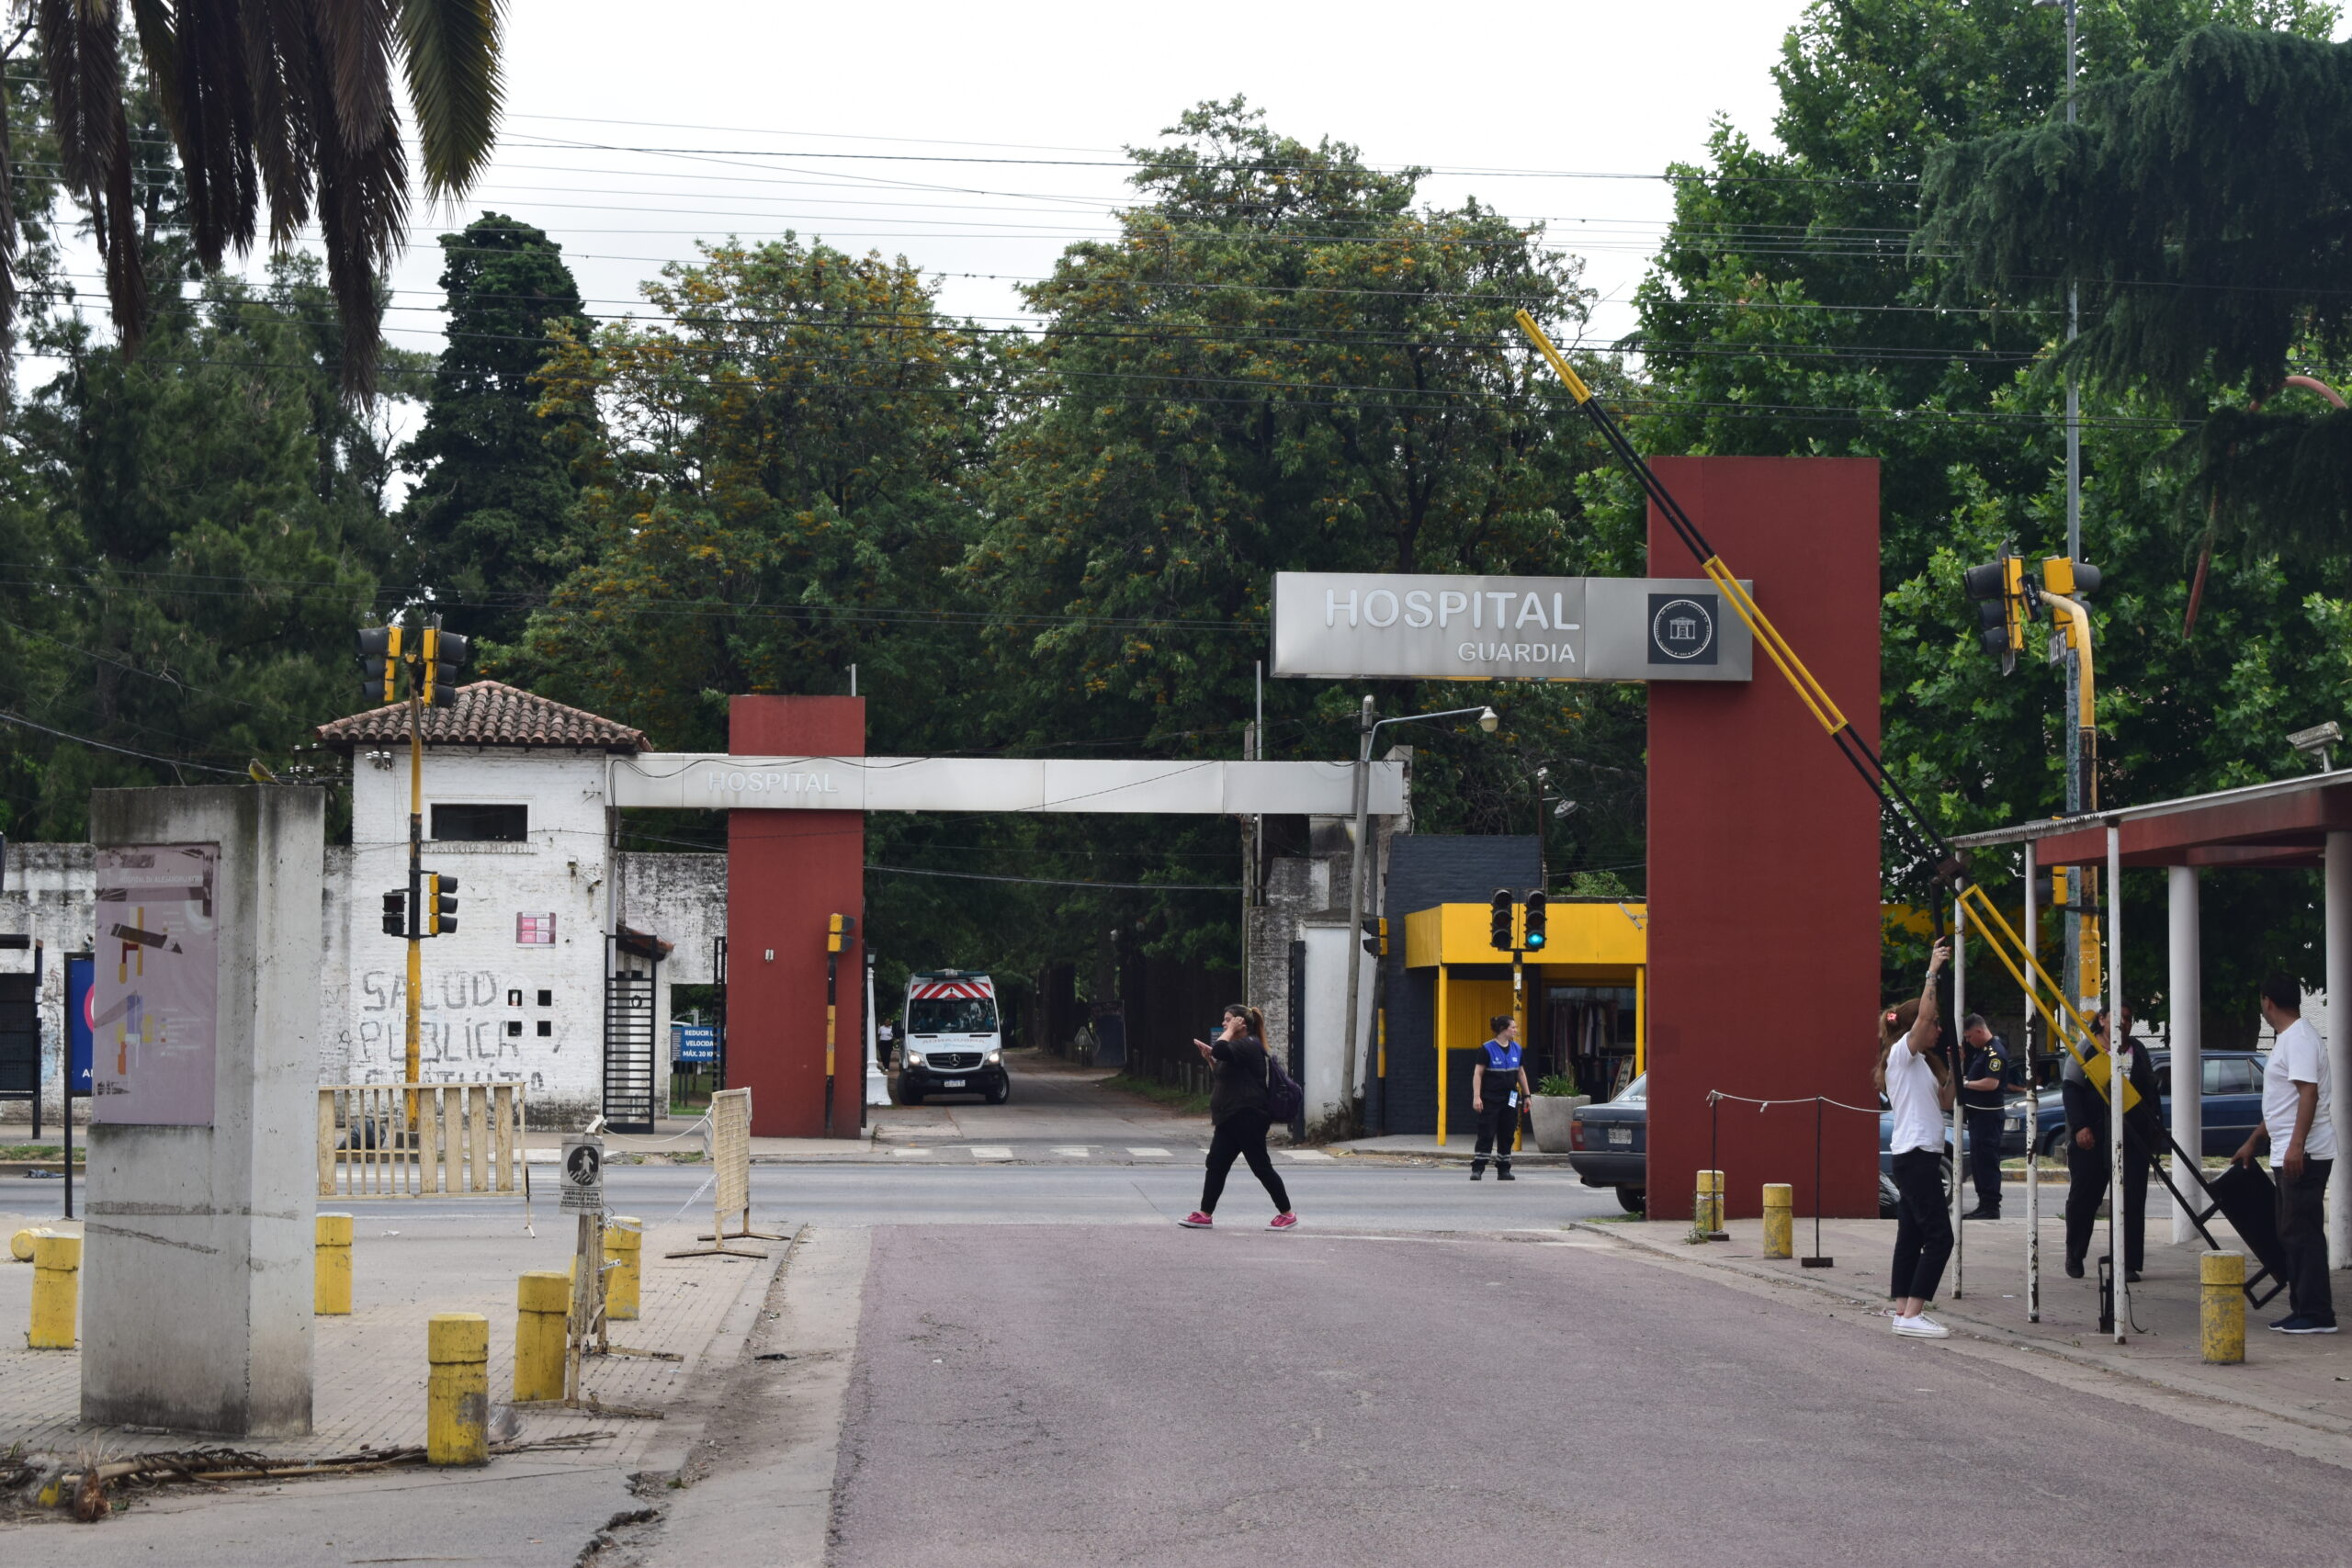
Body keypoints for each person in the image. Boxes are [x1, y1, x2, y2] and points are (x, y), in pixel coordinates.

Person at [2234, 974, 2336, 1334]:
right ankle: (2303, 1308)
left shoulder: (2300, 1039)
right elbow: (2284, 1104)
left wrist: (2296, 1146)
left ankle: (2317, 1313)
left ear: (2268, 1001)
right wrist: (2254, 1140)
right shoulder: (2290, 1039)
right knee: (2290, 1231)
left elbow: (2308, 1094)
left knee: (2302, 1233)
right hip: (2290, 1150)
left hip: (2303, 1153)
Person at [1880, 938, 1954, 1338]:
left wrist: (1956, 1067)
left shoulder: (1922, 1063)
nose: (1937, 1028)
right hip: (1916, 1155)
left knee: (1909, 1235)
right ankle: (1913, 1314)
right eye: (1935, 1023)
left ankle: (1901, 1311)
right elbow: (1924, 1017)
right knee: (1941, 1238)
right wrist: (1932, 971)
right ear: (1914, 1028)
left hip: (1919, 1155)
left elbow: (1945, 1100)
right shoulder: (1901, 1055)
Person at [2061, 1005, 2159, 1282]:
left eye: (2128, 1018)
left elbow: (2149, 1092)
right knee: (2084, 1199)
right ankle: (2075, 1254)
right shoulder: (2086, 1048)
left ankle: (2127, 1262)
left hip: (2133, 1139)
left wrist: (2151, 1133)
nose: (2123, 1023)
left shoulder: (2138, 1050)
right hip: (2092, 1139)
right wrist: (2080, 1127)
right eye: (2117, 1017)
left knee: (2132, 1199)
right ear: (2102, 1020)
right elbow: (2071, 1090)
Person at [1180, 1005, 1298, 1231]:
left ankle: (1287, 1213)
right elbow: (1224, 1074)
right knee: (1216, 1163)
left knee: (1260, 1166)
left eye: (1228, 1020)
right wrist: (1210, 1060)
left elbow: (1220, 1048)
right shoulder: (1237, 1047)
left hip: (1248, 1117)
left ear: (1241, 1023)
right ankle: (1205, 1214)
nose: (1224, 1024)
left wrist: (1228, 1034)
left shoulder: (1249, 1044)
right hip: (1230, 1118)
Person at [1958, 1014, 2010, 1221]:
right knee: (1979, 1161)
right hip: (1978, 1115)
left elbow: (1991, 1083)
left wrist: (1965, 1084)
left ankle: (1990, 1205)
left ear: (1979, 1031)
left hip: (1988, 1116)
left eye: (1969, 1037)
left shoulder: (1994, 1052)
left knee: (1987, 1160)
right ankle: (1983, 1203)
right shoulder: (1983, 1051)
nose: (1968, 1041)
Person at [1471, 1014, 1531, 1181]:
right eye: (1513, 1027)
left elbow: (1521, 1073)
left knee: (1507, 1133)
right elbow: (1478, 1074)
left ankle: (1504, 1169)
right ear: (1503, 1029)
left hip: (1511, 1097)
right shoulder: (1487, 1048)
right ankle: (1478, 1168)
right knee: (1486, 1133)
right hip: (1490, 1098)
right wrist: (1477, 1097)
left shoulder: (1517, 1049)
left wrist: (1527, 1095)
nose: (1516, 1030)